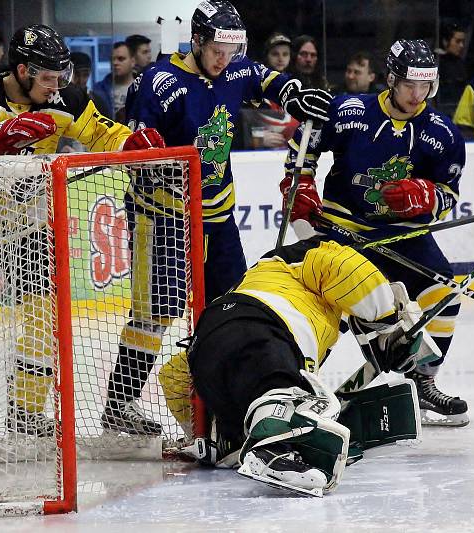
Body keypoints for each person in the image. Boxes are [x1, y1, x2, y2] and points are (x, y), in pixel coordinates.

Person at [0, 23, 164, 444]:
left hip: (28, 227)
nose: (56, 86)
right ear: (22, 71)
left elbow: (102, 132)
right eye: (47, 77)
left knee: (44, 320)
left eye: (61, 76)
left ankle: (25, 412)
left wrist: (132, 143)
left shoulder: (66, 98)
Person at [103, 0, 332, 435]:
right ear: (197, 42)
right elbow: (130, 144)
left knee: (231, 305)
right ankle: (120, 405)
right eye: (216, 52)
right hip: (163, 214)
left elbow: (266, 79)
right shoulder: (160, 82)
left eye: (232, 51)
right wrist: (143, 149)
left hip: (218, 213)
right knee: (157, 310)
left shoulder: (234, 68)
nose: (224, 61)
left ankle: (223, 397)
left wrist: (293, 94)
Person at [280, 39, 469, 427]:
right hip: (343, 227)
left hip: (403, 235)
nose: (417, 95)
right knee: (322, 309)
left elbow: (449, 194)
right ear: (391, 79)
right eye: (409, 85)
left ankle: (424, 381)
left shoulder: (444, 135)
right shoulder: (350, 111)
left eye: (426, 86)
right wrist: (299, 188)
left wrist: (425, 196)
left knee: (445, 293)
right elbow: (303, 150)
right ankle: (294, 389)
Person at [161, 236, 433, 494]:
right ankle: (271, 447)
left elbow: (174, 375)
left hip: (208, 344)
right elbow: (346, 266)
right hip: (256, 324)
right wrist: (389, 321)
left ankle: (237, 438)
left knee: (286, 393)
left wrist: (202, 423)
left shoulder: (280, 293)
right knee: (278, 387)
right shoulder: (304, 259)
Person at [243, 33, 297, 149]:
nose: (281, 58)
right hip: (261, 153)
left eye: (285, 54)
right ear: (267, 56)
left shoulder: (297, 86)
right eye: (275, 54)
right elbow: (245, 119)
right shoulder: (254, 84)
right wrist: (256, 138)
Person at [91, 41, 134, 122]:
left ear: (132, 61)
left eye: (121, 59)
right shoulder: (99, 89)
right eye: (112, 59)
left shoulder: (142, 87)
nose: (115, 63)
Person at [434, 22, 468, 114]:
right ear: (445, 41)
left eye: (463, 42)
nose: (461, 46)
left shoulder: (461, 63)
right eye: (457, 41)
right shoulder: (434, 63)